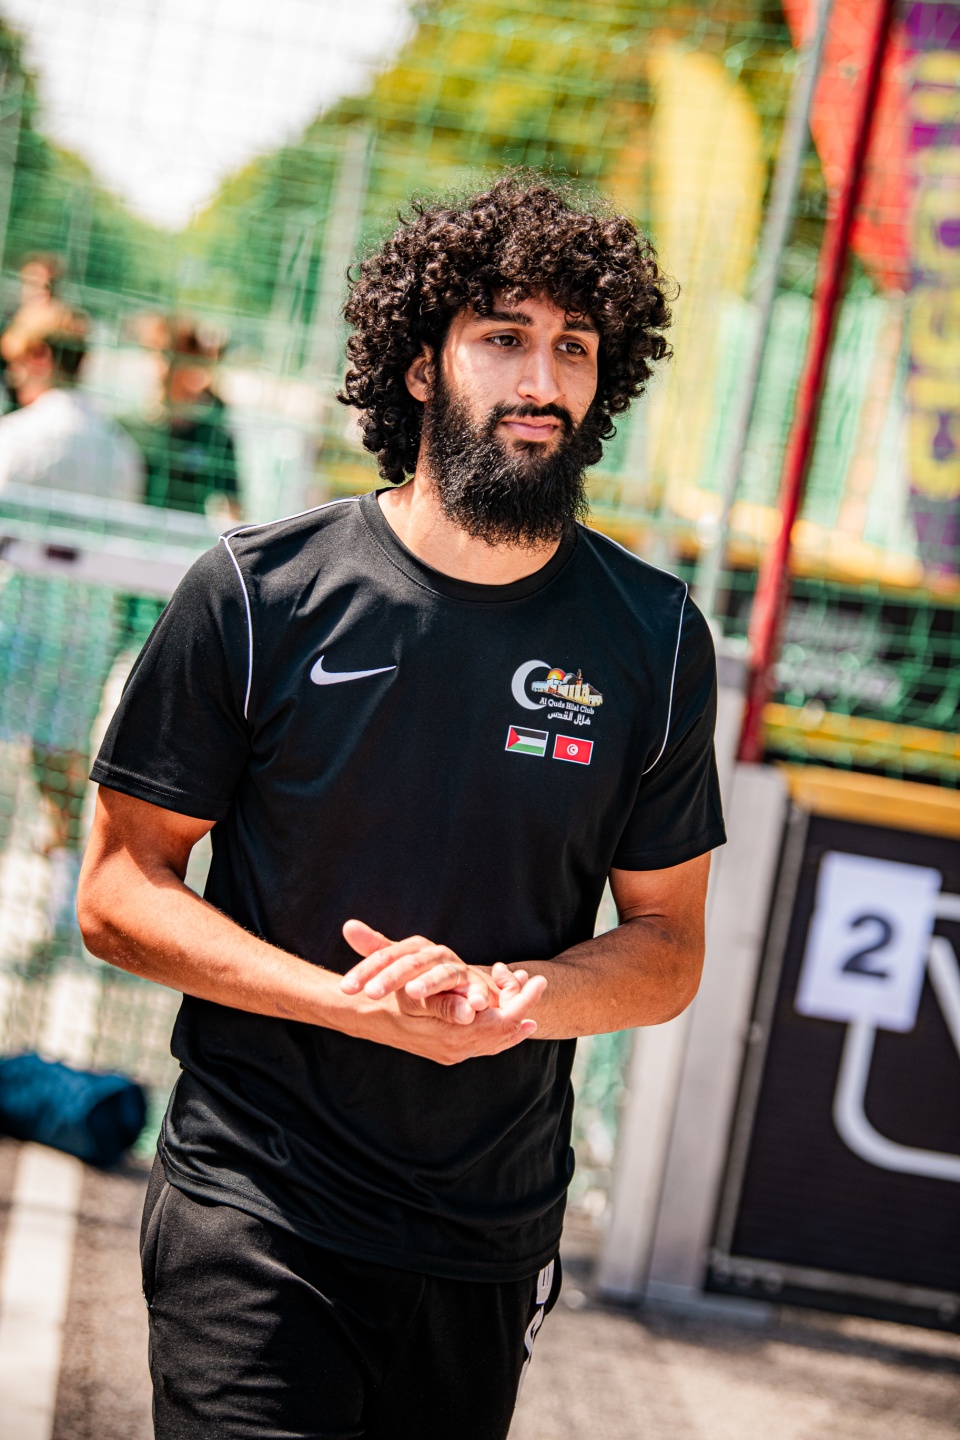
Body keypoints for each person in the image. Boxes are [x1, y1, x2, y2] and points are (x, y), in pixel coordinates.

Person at [78, 177, 726, 1439]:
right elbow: (115, 893)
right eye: (504, 336)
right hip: (256, 1204)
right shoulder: (259, 595)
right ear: (422, 364)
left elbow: (668, 945)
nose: (542, 380)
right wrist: (344, 1003)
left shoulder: (654, 638)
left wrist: (510, 996)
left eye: (575, 348)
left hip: (486, 1235)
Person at [0, 304, 143, 960]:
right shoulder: (117, 446)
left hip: (17, 618)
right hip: (85, 628)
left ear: (37, 358)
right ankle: (58, 900)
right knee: (58, 761)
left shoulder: (19, 436)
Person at [124, 314, 241, 522]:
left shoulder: (215, 438)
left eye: (172, 357)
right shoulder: (125, 427)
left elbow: (234, 511)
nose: (162, 367)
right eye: (155, 354)